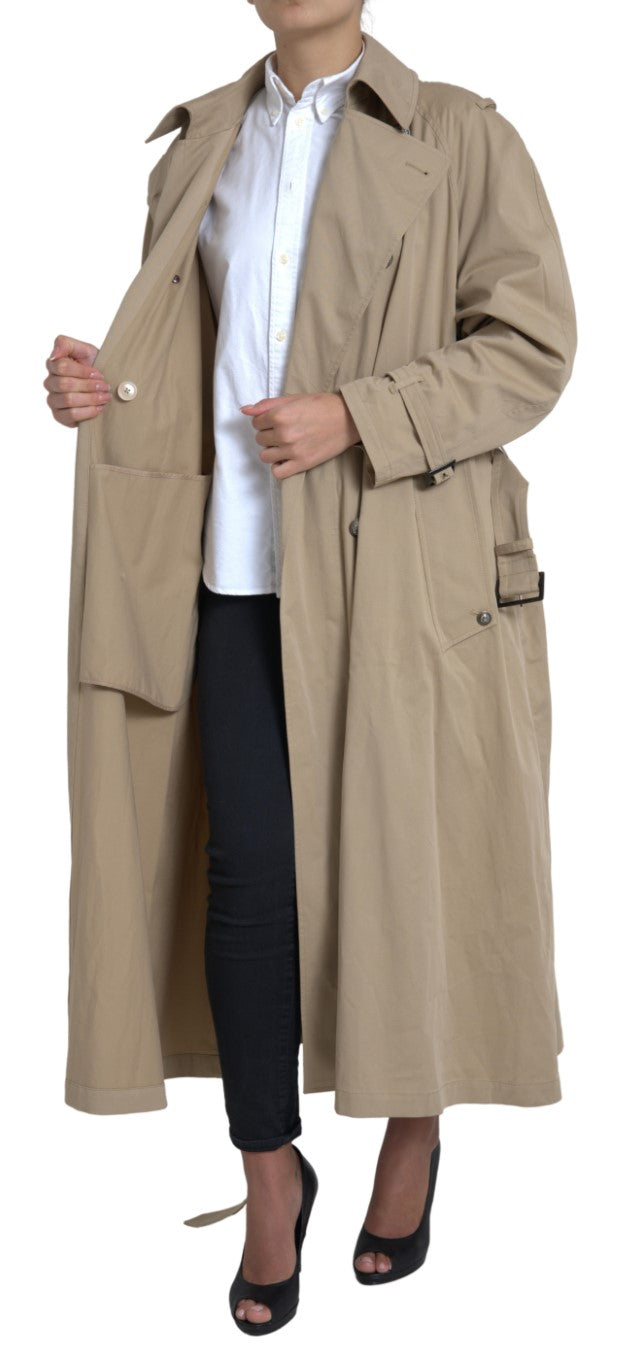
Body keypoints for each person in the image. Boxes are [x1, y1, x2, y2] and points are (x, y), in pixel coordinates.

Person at [44, 0, 576, 1339]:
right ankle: (268, 1172)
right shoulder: (199, 143)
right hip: (232, 567)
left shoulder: (460, 135)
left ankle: (412, 1131)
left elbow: (532, 349)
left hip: (404, 573)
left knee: (409, 861)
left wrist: (361, 413)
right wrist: (98, 389)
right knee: (246, 883)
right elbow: (194, 360)